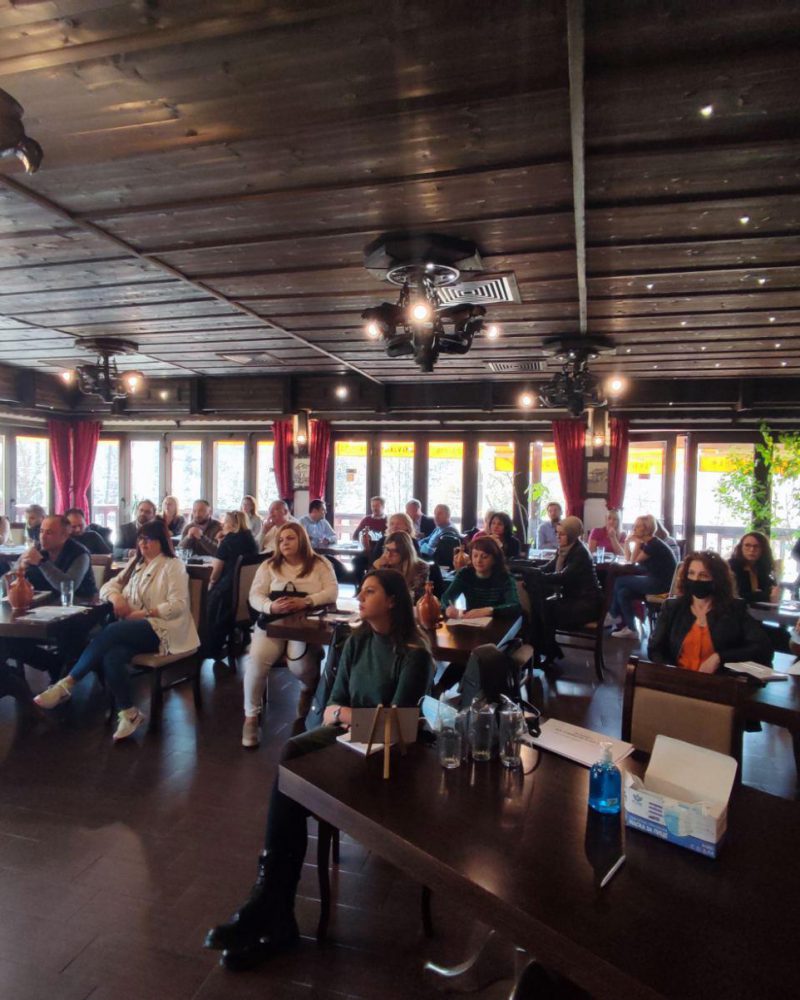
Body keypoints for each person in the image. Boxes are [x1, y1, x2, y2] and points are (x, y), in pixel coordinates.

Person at [205, 569, 432, 970]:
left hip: (388, 760)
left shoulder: (414, 653)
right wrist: (350, 716)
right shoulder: (356, 639)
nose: (359, 597)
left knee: (291, 765)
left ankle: (271, 907)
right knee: (291, 764)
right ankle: (272, 906)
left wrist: (346, 716)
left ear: (393, 600)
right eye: (362, 590)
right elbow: (331, 705)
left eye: (370, 592)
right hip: (347, 742)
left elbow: (397, 726)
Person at [33, 519, 199, 741]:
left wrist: (145, 613)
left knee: (112, 631)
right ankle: (129, 713)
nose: (143, 544)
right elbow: (107, 586)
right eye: (141, 539)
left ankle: (67, 683)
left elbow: (178, 605)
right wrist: (116, 597)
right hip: (134, 628)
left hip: (164, 629)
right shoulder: (136, 564)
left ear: (161, 542)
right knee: (112, 655)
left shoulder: (172, 566)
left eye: (149, 539)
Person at [242, 522, 338, 748]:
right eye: (281, 540)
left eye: (290, 538)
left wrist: (307, 601)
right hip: (272, 623)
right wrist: (270, 606)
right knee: (256, 662)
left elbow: (332, 591)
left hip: (303, 625)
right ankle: (251, 717)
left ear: (301, 539)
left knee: (299, 667)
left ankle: (307, 688)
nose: (284, 543)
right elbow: (255, 595)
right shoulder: (268, 565)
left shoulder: (320, 563)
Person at [649, 551, 772, 670]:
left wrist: (720, 657)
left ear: (717, 579)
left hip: (718, 680)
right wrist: (672, 671)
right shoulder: (672, 607)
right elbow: (655, 649)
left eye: (703, 575)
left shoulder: (734, 608)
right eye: (691, 573)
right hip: (677, 678)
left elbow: (762, 647)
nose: (696, 579)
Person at [523, 516, 603, 665]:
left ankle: (546, 651)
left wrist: (537, 576)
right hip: (573, 600)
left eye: (562, 534)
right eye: (557, 533)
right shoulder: (565, 549)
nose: (558, 537)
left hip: (587, 604)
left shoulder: (580, 553)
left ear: (572, 535)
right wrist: (532, 571)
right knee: (540, 608)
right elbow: (549, 567)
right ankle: (546, 651)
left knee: (542, 611)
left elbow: (564, 577)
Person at [609, 514, 677, 638]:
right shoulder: (648, 543)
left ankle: (613, 615)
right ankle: (632, 629)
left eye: (637, 526)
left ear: (647, 529)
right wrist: (627, 542)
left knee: (619, 581)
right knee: (623, 592)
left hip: (662, 583)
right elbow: (629, 559)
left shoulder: (653, 545)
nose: (634, 528)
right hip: (655, 580)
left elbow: (632, 562)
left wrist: (636, 543)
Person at [206, 511, 260, 660]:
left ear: (232, 525)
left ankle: (207, 647)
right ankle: (241, 635)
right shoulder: (251, 541)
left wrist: (209, 585)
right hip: (246, 598)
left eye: (225, 522)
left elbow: (214, 574)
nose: (222, 525)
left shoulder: (228, 542)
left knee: (201, 597)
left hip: (227, 597)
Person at [14, 514, 96, 599]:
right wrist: (21, 569)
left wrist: (41, 562)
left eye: (49, 533)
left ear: (64, 536)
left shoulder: (80, 554)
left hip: (79, 603)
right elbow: (11, 577)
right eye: (41, 531)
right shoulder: (36, 549)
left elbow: (68, 586)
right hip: (41, 602)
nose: (43, 537)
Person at [441, 536, 521, 620]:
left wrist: (489, 610)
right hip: (471, 621)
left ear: (494, 559)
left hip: (498, 622)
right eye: (475, 556)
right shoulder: (465, 574)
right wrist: (448, 607)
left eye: (484, 557)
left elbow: (515, 606)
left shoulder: (504, 577)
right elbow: (446, 597)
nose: (478, 561)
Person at [373, 530, 429, 600]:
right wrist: (376, 569)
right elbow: (372, 591)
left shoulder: (420, 567)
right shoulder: (383, 564)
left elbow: (414, 597)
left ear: (405, 552)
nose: (389, 555)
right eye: (387, 549)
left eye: (395, 551)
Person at [728, 531, 780, 604]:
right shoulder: (731, 567)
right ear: (741, 547)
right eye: (747, 545)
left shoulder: (763, 568)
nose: (752, 550)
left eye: (756, 546)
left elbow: (772, 590)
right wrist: (763, 595)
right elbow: (739, 596)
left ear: (763, 549)